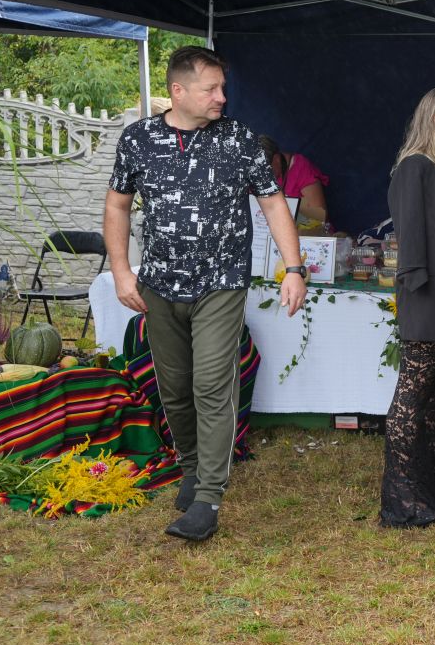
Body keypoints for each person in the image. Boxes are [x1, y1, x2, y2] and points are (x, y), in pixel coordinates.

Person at [103, 46, 307, 542]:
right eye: (210, 89)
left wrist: (294, 268)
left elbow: (273, 203)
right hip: (158, 285)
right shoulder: (138, 139)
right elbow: (118, 205)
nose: (221, 97)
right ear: (178, 91)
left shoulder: (238, 139)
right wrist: (122, 271)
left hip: (220, 283)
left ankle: (208, 499)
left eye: (222, 88)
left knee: (212, 385)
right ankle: (192, 466)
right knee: (174, 387)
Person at [379, 86, 435, 528]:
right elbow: (412, 237)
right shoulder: (414, 167)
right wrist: (419, 290)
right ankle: (404, 497)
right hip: (428, 297)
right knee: (412, 400)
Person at [257, 135, 331, 232]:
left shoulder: (300, 168)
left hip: (305, 234)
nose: (259, 177)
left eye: (264, 170)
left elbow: (320, 217)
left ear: (276, 159)